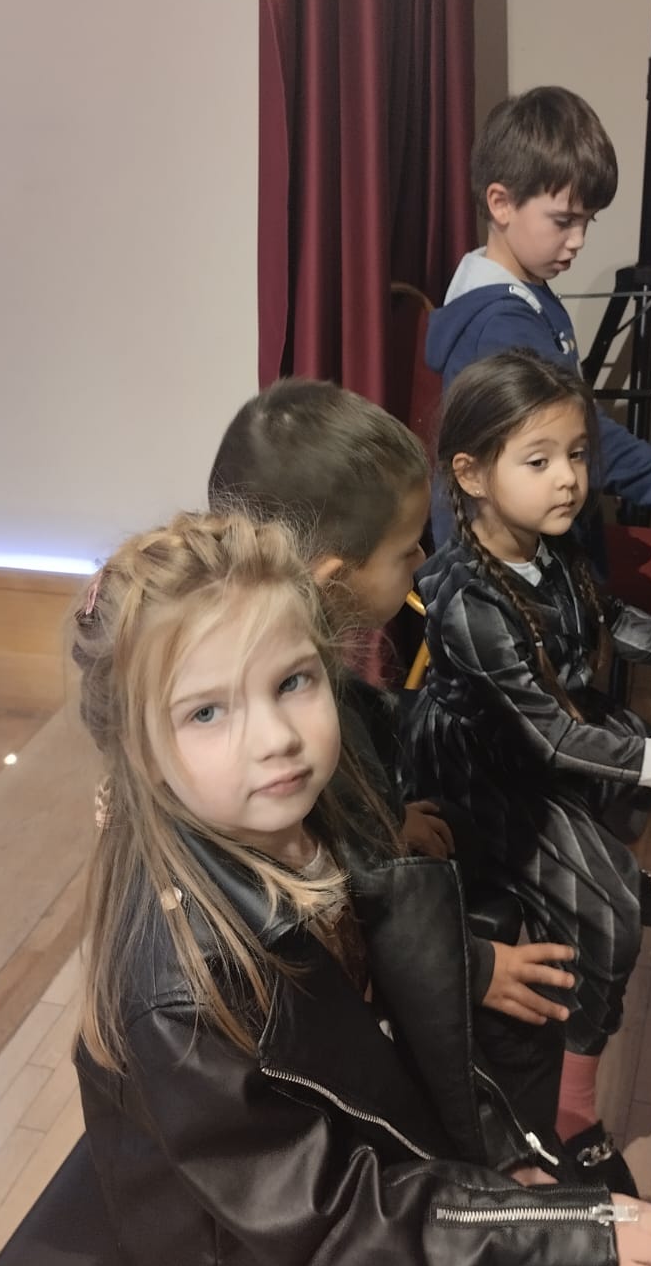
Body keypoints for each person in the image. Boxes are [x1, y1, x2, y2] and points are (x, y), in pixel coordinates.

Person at [71, 510, 651, 1266]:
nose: (276, 738)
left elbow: (383, 1028)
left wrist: (504, 1168)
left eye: (294, 682)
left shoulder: (290, 807)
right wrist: (550, 1229)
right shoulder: (181, 992)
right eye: (206, 711)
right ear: (138, 748)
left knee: (555, 1235)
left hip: (338, 1173)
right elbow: (325, 1222)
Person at [402, 352, 651, 1192]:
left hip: (543, 740)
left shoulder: (545, 545)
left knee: (617, 799)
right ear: (472, 475)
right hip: (487, 770)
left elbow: (604, 616)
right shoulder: (468, 600)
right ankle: (569, 1111)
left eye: (575, 455)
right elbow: (550, 738)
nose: (568, 478)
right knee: (608, 914)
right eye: (539, 461)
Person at [208, 377, 582, 1039]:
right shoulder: (292, 736)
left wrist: (388, 814)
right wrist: (474, 967)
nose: (423, 558)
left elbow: (353, 807)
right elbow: (370, 891)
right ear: (332, 582)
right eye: (406, 547)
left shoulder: (273, 659)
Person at [425, 85, 651, 553]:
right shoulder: (500, 325)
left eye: (588, 222)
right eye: (564, 221)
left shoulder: (518, 288)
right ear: (501, 203)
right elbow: (593, 440)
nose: (578, 240)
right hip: (504, 557)